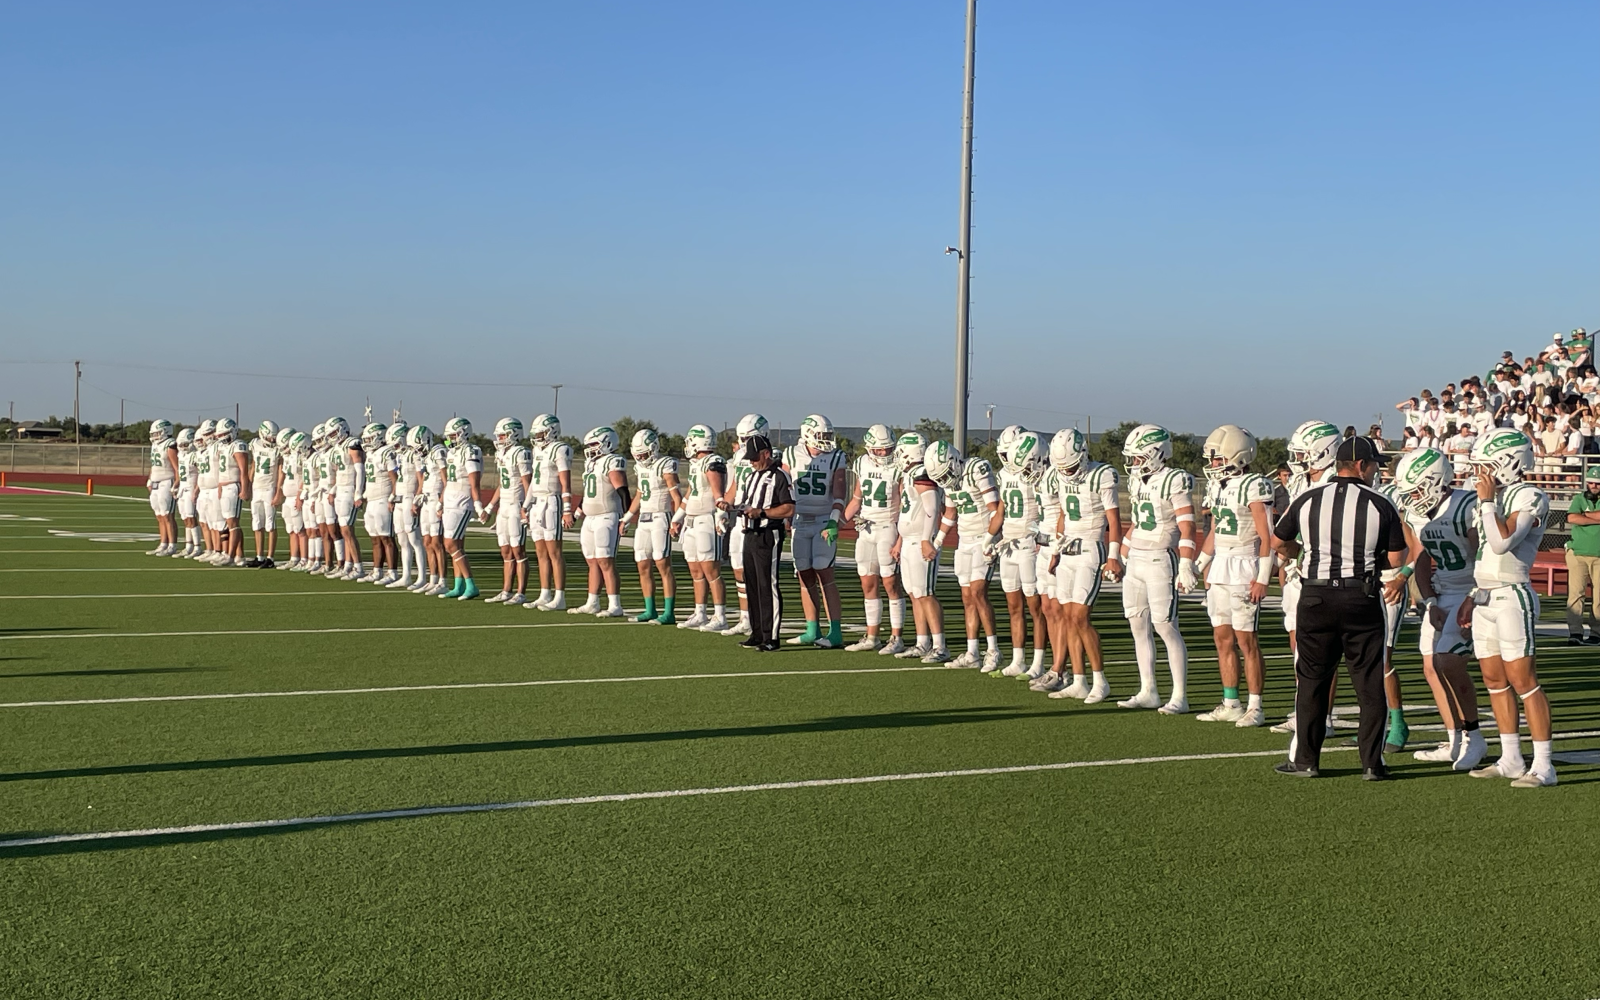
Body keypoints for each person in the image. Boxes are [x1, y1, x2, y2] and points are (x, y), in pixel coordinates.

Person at [1271, 435, 1406, 779]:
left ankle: (1306, 760)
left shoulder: (1307, 498)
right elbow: (1395, 558)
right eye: (1374, 464)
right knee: (1368, 681)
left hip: (1315, 597)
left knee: (1312, 679)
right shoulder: (1379, 502)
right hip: (1360, 597)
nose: (1376, 470)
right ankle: (1372, 764)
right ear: (1361, 465)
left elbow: (1279, 541)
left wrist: (1300, 552)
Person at [1464, 431, 1556, 787]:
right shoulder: (1497, 497)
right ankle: (1511, 758)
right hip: (1486, 596)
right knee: (1494, 680)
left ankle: (1545, 764)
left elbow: (1502, 543)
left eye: (1487, 465)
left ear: (1508, 462)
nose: (1481, 473)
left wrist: (1487, 503)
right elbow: (1483, 552)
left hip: (1512, 595)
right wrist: (1473, 593)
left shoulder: (1529, 495)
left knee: (1523, 681)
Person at [1390, 448, 1487, 771]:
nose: (1414, 497)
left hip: (1471, 591)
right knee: (1431, 667)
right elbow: (1420, 557)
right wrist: (1428, 600)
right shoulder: (1419, 514)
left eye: (1417, 489)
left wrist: (1475, 597)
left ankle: (1475, 736)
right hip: (1442, 592)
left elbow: (1481, 556)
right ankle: (1454, 738)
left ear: (1435, 481)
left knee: (1449, 661)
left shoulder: (1465, 505)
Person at [1193, 425, 1274, 727]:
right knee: (1222, 638)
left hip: (1244, 565)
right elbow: (1214, 531)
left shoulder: (1255, 485)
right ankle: (1231, 702)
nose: (1213, 464)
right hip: (1221, 565)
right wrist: (1199, 564)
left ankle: (1256, 706)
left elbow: (1267, 535)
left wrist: (1263, 578)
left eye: (1217, 459)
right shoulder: (1217, 487)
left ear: (1237, 456)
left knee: (1246, 640)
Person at [1039, 429, 1124, 703]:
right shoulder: (1059, 476)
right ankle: (1079, 680)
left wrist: (1114, 555)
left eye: (1072, 466)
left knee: (1079, 617)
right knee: (1066, 617)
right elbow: (1062, 514)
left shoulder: (1101, 475)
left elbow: (1114, 518)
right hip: (1067, 550)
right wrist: (1054, 550)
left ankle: (1100, 680)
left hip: (1090, 548)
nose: (1067, 472)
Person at [1118, 424, 1196, 710]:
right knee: (1138, 625)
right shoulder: (1138, 481)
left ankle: (1180, 696)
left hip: (1160, 558)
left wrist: (1186, 563)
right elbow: (1138, 522)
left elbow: (1187, 524)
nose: (1133, 463)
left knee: (1165, 626)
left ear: (1155, 453)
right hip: (1137, 558)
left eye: (1138, 457)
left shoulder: (1174, 480)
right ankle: (1148, 689)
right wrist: (1121, 555)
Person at [926, 440, 1002, 670]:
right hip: (964, 540)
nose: (945, 481)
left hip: (983, 538)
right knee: (967, 597)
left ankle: (993, 650)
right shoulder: (950, 481)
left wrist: (992, 539)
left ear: (955, 461)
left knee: (979, 593)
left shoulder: (977, 469)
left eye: (946, 474)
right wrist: (937, 541)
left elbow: (995, 509)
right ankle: (972, 652)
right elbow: (951, 513)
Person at [782, 414, 849, 649]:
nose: (827, 440)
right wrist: (786, 517)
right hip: (800, 520)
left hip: (822, 520)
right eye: (822, 435)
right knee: (804, 574)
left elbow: (840, 492)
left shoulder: (836, 457)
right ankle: (812, 628)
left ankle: (836, 631)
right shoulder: (791, 454)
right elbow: (784, 489)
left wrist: (833, 520)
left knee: (825, 572)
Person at [721, 434, 794, 651]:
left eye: (755, 457)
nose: (752, 461)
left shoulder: (780, 476)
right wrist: (732, 507)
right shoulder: (752, 477)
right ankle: (757, 632)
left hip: (768, 534)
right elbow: (748, 503)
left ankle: (771, 637)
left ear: (766, 454)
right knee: (751, 582)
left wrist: (762, 512)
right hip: (749, 533)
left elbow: (789, 508)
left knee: (767, 584)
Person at [842, 425, 906, 653]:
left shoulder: (899, 467)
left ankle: (896, 637)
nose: (883, 454)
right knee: (868, 582)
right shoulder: (862, 463)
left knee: (890, 584)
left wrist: (900, 537)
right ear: (870, 449)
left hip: (888, 526)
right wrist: (838, 522)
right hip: (866, 528)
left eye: (887, 449)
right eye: (879, 450)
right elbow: (857, 498)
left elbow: (904, 503)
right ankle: (872, 636)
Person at [890, 433, 947, 663]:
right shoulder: (910, 473)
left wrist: (926, 539)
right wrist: (900, 541)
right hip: (909, 540)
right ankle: (922, 642)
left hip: (921, 540)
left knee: (925, 593)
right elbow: (909, 510)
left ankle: (940, 646)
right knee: (914, 594)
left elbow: (932, 507)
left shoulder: (923, 473)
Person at [995, 430, 1046, 678]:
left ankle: (1038, 661)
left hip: (1028, 544)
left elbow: (1047, 511)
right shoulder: (1005, 474)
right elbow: (1002, 509)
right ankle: (1018, 659)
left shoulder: (1039, 475)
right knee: (1013, 606)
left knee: (1035, 606)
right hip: (1008, 544)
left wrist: (1038, 536)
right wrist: (988, 538)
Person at [622, 428, 681, 624]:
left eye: (644, 454)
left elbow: (676, 495)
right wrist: (627, 517)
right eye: (638, 455)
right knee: (642, 564)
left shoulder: (665, 465)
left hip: (660, 517)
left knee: (662, 564)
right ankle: (650, 610)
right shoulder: (641, 468)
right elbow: (639, 494)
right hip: (644, 519)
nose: (641, 458)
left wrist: (677, 520)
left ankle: (669, 612)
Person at [570, 425, 629, 617]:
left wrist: (626, 517)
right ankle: (592, 602)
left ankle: (615, 605)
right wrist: (577, 513)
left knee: (606, 561)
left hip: (607, 516)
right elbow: (588, 492)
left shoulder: (612, 461)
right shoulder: (592, 463)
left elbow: (623, 490)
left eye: (594, 444)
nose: (590, 448)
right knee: (592, 561)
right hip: (590, 517)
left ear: (607, 442)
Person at [676, 423, 729, 632]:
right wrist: (678, 517)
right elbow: (690, 493)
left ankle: (720, 615)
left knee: (711, 569)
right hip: (692, 518)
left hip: (707, 518)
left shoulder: (713, 461)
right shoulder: (696, 463)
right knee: (695, 568)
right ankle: (700, 612)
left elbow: (718, 493)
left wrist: (720, 515)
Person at [720, 414, 769, 636]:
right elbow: (734, 487)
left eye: (747, 438)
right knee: (738, 570)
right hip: (739, 517)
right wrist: (721, 510)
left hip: (759, 521)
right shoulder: (740, 456)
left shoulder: (770, 457)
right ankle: (745, 618)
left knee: (758, 573)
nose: (743, 442)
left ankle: (761, 620)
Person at [524, 413, 575, 611]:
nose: (538, 436)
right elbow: (534, 482)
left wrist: (567, 508)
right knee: (540, 552)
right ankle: (545, 593)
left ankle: (559, 596)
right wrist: (526, 505)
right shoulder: (538, 449)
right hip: (537, 502)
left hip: (552, 501)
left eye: (542, 432)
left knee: (554, 552)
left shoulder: (559, 449)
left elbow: (565, 480)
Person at [485, 417, 533, 604]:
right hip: (504, 506)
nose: (500, 438)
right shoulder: (502, 454)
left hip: (516, 505)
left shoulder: (521, 453)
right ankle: (506, 590)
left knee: (518, 550)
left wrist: (526, 507)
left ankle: (521, 592)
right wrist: (490, 506)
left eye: (503, 435)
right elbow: (502, 484)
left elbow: (527, 482)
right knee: (505, 551)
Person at [438, 416, 483, 600]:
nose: (451, 439)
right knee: (456, 545)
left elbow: (474, 482)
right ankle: (459, 585)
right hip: (450, 498)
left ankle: (470, 584)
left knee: (450, 544)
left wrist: (479, 504)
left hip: (462, 500)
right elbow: (449, 479)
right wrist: (441, 501)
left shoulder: (471, 451)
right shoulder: (452, 453)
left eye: (454, 435)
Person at [325, 416, 366, 580]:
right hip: (341, 489)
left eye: (335, 432)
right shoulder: (336, 448)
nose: (333, 436)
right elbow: (340, 473)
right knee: (343, 529)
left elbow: (359, 470)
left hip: (350, 489)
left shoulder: (352, 443)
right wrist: (333, 490)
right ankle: (348, 565)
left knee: (347, 530)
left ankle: (358, 566)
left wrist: (358, 493)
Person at [1563, 465, 1600, 645]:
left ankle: (1596, 633)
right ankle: (1575, 632)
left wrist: (1585, 515)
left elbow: (1578, 517)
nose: (1594, 485)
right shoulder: (1579, 498)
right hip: (1577, 553)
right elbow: (1571, 518)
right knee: (1575, 594)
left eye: (1597, 483)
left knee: (1599, 597)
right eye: (1591, 482)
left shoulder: (1582, 503)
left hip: (1599, 555)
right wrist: (1594, 517)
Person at [387, 422, 424, 589]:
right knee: (402, 539)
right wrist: (392, 495)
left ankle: (422, 577)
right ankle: (406, 575)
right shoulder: (400, 455)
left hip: (410, 497)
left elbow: (421, 477)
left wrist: (417, 498)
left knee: (414, 539)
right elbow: (399, 478)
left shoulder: (414, 455)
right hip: (400, 498)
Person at [358, 422, 396, 584]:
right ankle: (377, 571)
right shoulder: (372, 454)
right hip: (372, 500)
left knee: (386, 538)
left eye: (370, 438)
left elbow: (394, 477)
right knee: (374, 538)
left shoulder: (386, 452)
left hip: (383, 498)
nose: (367, 442)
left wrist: (394, 496)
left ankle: (392, 572)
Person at [214, 417, 249, 567]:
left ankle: (231, 555)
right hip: (225, 486)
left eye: (224, 434)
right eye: (220, 434)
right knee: (230, 522)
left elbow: (243, 470)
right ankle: (239, 555)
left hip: (234, 486)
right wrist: (220, 486)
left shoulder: (238, 445)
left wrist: (245, 488)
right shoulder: (223, 447)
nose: (222, 437)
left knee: (233, 523)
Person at [248, 419, 281, 566]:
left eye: (274, 438)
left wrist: (278, 490)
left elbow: (280, 471)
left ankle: (270, 558)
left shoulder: (277, 450)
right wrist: (248, 484)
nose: (272, 440)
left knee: (270, 524)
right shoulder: (255, 445)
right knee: (257, 523)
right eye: (270, 437)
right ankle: (259, 556)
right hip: (257, 488)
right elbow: (253, 465)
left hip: (269, 489)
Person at [145, 419, 180, 557]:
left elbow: (176, 467)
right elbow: (154, 465)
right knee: (159, 515)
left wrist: (177, 482)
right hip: (155, 481)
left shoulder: (170, 444)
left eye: (158, 433)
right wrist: (150, 478)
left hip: (167, 480)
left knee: (167, 515)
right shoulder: (155, 445)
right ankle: (163, 543)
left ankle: (172, 545)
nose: (155, 436)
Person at [174, 427, 201, 558]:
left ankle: (197, 547)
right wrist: (176, 484)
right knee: (185, 518)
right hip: (182, 488)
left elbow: (201, 473)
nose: (182, 447)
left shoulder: (195, 455)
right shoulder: (181, 455)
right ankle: (188, 546)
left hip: (191, 487)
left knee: (191, 517)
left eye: (185, 444)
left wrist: (196, 489)